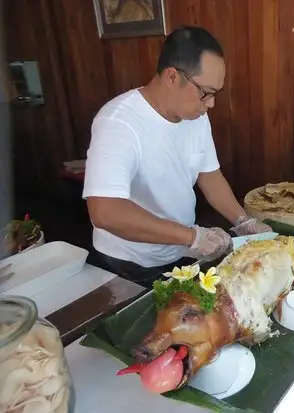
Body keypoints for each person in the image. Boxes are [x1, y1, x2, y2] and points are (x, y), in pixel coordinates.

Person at [82, 26, 271, 288]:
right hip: (129, 262)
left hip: (179, 251)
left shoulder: (195, 116)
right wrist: (191, 236)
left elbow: (209, 175)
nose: (211, 104)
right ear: (172, 77)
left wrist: (243, 221)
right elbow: (106, 211)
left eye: (215, 93)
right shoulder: (119, 122)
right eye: (206, 92)